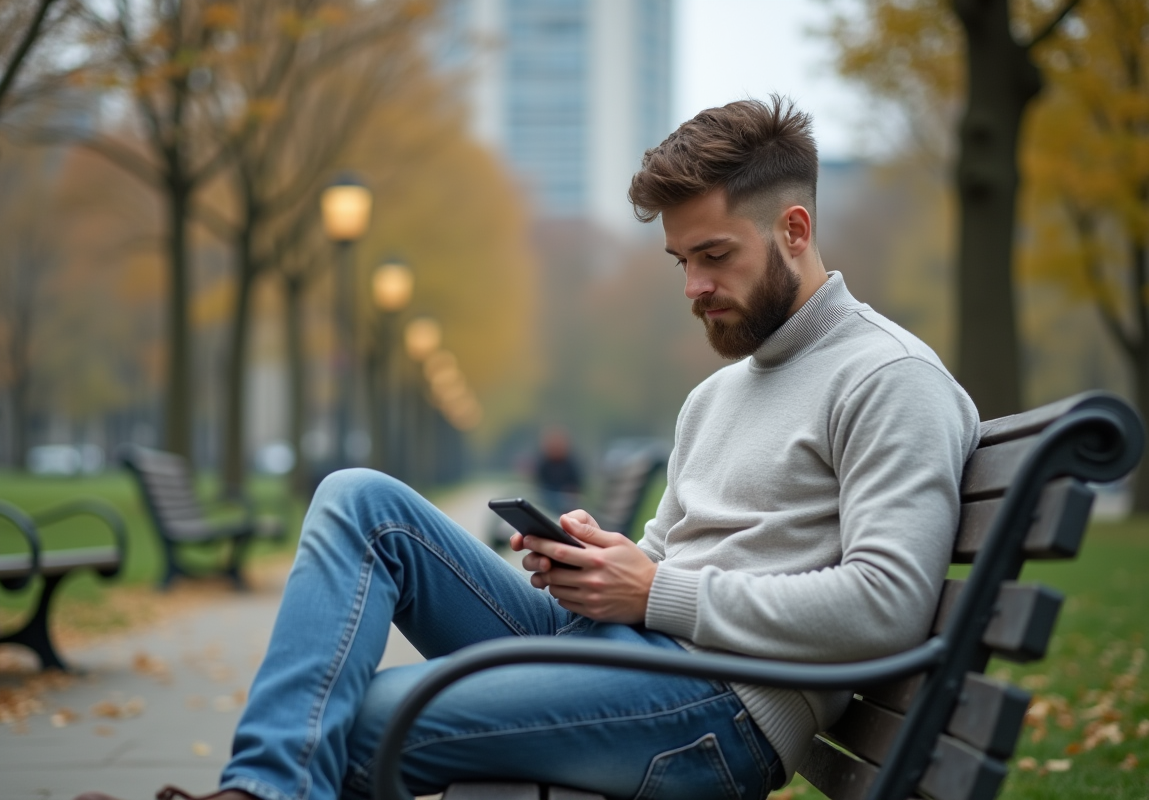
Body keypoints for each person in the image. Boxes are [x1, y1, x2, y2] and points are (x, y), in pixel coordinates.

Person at [77, 96, 978, 800]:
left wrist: (656, 589)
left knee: (362, 721)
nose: (695, 287)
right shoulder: (718, 393)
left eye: (714, 256)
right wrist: (601, 561)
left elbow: (890, 605)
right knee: (359, 499)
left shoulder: (888, 379)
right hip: (636, 653)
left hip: (721, 707)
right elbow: (665, 560)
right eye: (680, 263)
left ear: (793, 230)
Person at [533, 426, 584, 515]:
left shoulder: (570, 464)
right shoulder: (544, 464)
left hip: (566, 502)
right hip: (548, 500)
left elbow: (577, 485)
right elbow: (539, 485)